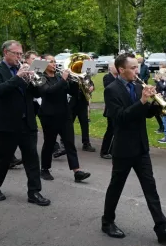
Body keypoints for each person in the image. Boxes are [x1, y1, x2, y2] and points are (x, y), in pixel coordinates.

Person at [101, 53, 166, 243]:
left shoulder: (139, 86)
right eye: (133, 68)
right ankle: (107, 222)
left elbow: (145, 114)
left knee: (150, 187)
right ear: (122, 70)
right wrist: (142, 101)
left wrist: (158, 104)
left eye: (137, 67)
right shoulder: (111, 90)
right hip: (123, 147)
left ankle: (161, 227)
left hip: (141, 146)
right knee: (116, 187)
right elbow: (120, 118)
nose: (137, 71)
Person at [0, 40, 50, 206]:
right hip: (5, 123)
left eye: (21, 54)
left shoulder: (25, 69)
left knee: (32, 158)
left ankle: (34, 192)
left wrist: (34, 78)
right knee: (4, 159)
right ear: (6, 53)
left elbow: (38, 91)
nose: (20, 57)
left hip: (27, 121)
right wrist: (18, 77)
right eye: (17, 54)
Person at [38, 54, 91, 183]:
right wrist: (63, 79)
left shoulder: (58, 76)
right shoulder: (40, 78)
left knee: (69, 143)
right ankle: (45, 168)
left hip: (65, 114)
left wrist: (75, 82)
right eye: (51, 62)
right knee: (49, 143)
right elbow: (49, 91)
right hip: (49, 115)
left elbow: (71, 92)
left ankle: (77, 171)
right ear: (44, 64)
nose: (54, 64)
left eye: (54, 61)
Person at [68, 61, 96, 152]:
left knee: (85, 123)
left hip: (83, 102)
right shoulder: (70, 76)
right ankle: (66, 142)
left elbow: (91, 83)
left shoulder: (85, 75)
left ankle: (86, 143)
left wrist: (92, 87)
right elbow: (69, 88)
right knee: (68, 124)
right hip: (72, 103)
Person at [99, 62, 118, 160]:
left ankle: (113, 150)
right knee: (110, 130)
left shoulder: (119, 78)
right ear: (110, 68)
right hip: (111, 109)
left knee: (117, 130)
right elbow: (110, 88)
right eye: (116, 66)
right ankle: (104, 151)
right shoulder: (107, 77)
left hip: (118, 108)